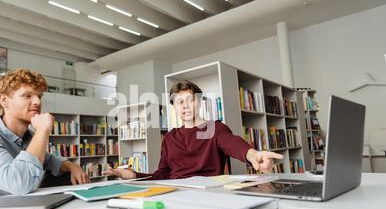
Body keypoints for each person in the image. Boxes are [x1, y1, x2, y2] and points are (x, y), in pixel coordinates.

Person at [0, 69, 90, 200]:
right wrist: (42, 131)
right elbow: (18, 184)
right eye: (27, 96)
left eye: (39, 96)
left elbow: (49, 160)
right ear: (4, 100)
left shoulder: (27, 138)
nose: (37, 102)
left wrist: (72, 166)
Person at [104, 80, 283, 180]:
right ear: (174, 107)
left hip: (209, 194)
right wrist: (135, 175)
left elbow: (232, 142)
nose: (185, 106)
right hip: (175, 195)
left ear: (199, 102)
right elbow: (162, 174)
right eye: (179, 102)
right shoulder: (169, 138)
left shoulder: (215, 128)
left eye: (190, 99)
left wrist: (252, 155)